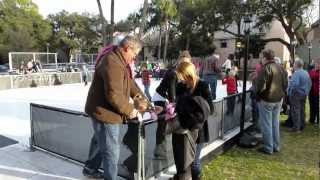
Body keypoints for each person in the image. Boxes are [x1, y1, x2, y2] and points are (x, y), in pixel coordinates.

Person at [83, 36, 147, 180]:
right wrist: (131, 110)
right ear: (127, 48)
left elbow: (130, 85)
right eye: (134, 54)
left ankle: (90, 169)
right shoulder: (112, 62)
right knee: (111, 150)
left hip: (104, 109)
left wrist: (145, 102)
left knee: (101, 142)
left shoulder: (120, 60)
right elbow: (114, 95)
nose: (134, 58)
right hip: (105, 112)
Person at [174, 61, 214, 180]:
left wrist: (196, 108)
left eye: (182, 77)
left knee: (195, 163)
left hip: (199, 130)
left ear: (188, 74)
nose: (181, 80)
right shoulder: (180, 86)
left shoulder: (203, 85)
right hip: (185, 131)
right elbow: (177, 105)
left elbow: (211, 108)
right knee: (185, 163)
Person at [255, 49, 288, 155]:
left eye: (262, 57)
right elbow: (286, 84)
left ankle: (268, 147)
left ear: (265, 58)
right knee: (274, 123)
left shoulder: (266, 68)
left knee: (267, 124)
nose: (261, 59)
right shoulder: (281, 67)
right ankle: (276, 146)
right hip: (278, 99)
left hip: (267, 99)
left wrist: (257, 94)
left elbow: (260, 86)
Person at [288, 59, 311, 132]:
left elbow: (295, 85)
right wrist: (306, 91)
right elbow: (310, 83)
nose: (293, 65)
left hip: (296, 94)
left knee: (296, 110)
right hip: (304, 93)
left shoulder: (296, 73)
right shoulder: (306, 73)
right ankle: (302, 125)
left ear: (296, 65)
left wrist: (291, 91)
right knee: (302, 110)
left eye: (294, 64)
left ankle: (296, 127)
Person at [308, 58, 319, 125]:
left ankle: (317, 120)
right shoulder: (313, 70)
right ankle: (312, 119)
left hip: (316, 92)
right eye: (315, 63)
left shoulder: (316, 72)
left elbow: (312, 76)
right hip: (311, 91)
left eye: (317, 63)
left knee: (316, 106)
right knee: (311, 105)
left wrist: (312, 71)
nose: (315, 65)